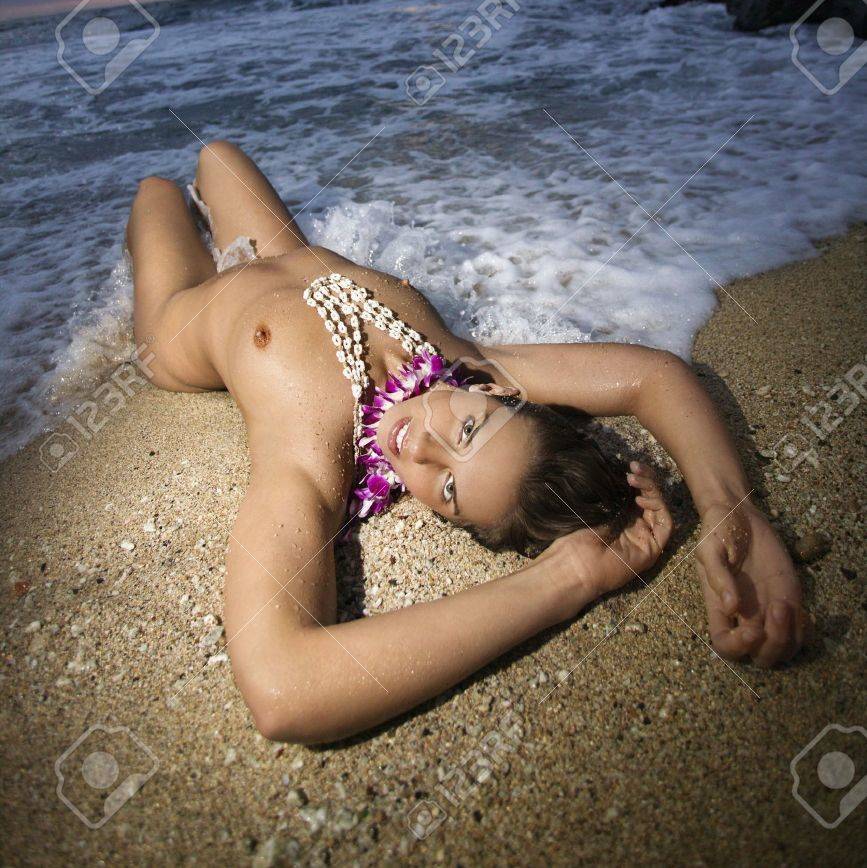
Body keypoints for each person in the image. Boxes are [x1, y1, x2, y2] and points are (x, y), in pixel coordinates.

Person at [126, 140, 808, 742]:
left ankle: (160, 227)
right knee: (216, 152)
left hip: (185, 324)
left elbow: (282, 690)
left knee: (156, 193)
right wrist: (732, 508)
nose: (420, 445)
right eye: (466, 429)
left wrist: (565, 577)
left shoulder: (309, 459)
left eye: (446, 489)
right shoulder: (473, 362)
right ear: (497, 397)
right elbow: (651, 375)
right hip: (280, 255)